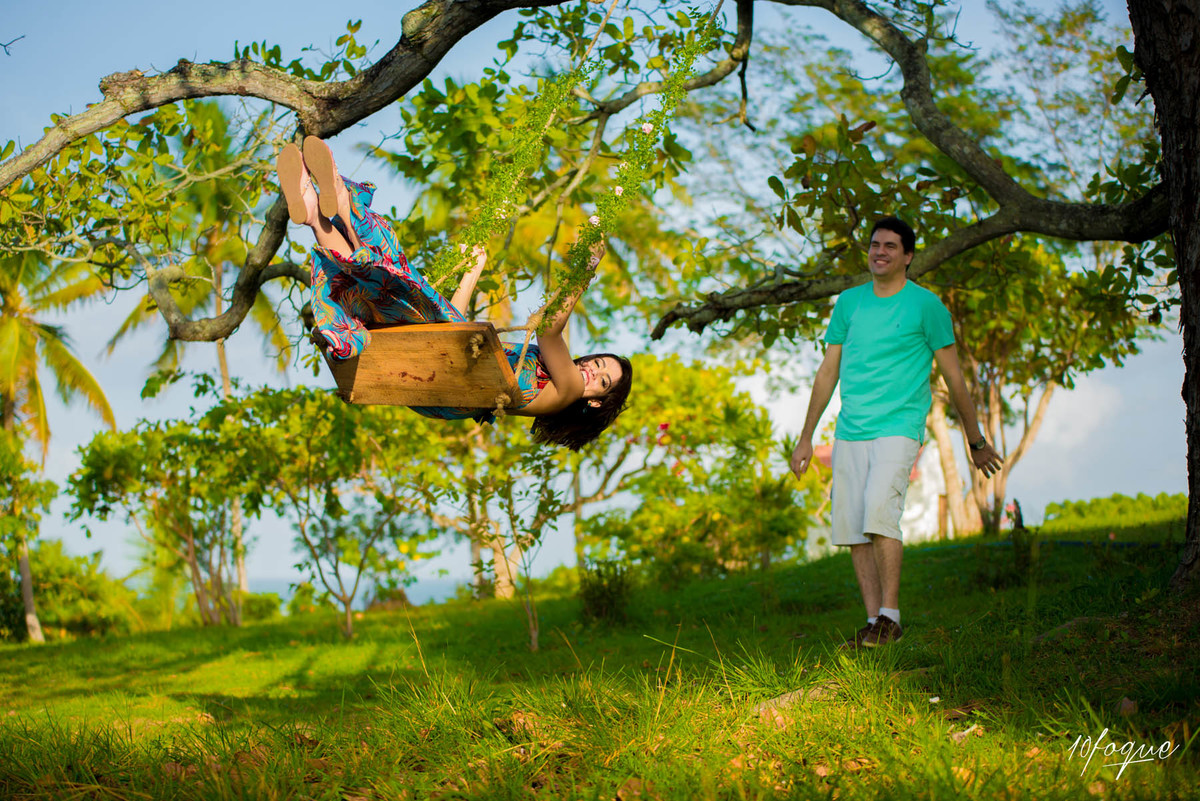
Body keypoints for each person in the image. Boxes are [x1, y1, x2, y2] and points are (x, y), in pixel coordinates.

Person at [276, 136, 632, 450]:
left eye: (601, 381)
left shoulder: (566, 391)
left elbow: (549, 329)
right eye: (596, 364)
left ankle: (340, 197)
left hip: (438, 381)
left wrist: (584, 273)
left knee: (398, 275)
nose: (589, 372)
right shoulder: (537, 372)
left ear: (597, 402)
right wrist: (470, 276)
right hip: (435, 377)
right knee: (380, 286)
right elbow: (453, 334)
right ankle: (312, 214)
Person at [789, 216, 1003, 648]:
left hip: (899, 427)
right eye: (874, 245)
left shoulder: (926, 307)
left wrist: (975, 440)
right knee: (853, 527)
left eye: (889, 246)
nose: (879, 252)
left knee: (879, 512)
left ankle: (892, 616)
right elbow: (828, 370)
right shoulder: (849, 303)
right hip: (851, 430)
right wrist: (807, 434)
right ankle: (872, 623)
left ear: (907, 256)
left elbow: (955, 378)